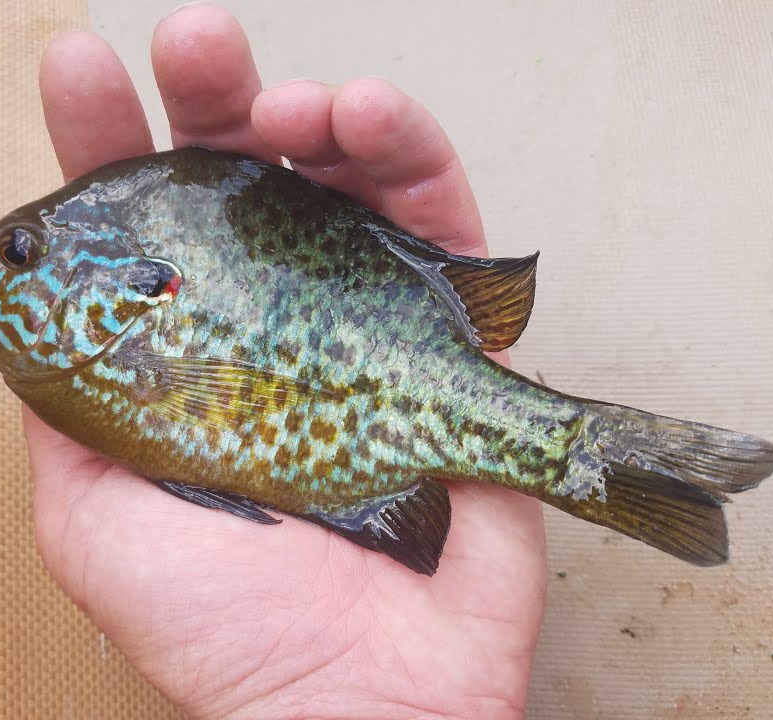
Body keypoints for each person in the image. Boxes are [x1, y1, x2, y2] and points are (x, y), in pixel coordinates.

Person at [27, 4, 546, 718]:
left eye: (20, 253)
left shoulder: (120, 360)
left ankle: (570, 450)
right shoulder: (103, 367)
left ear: (126, 287)